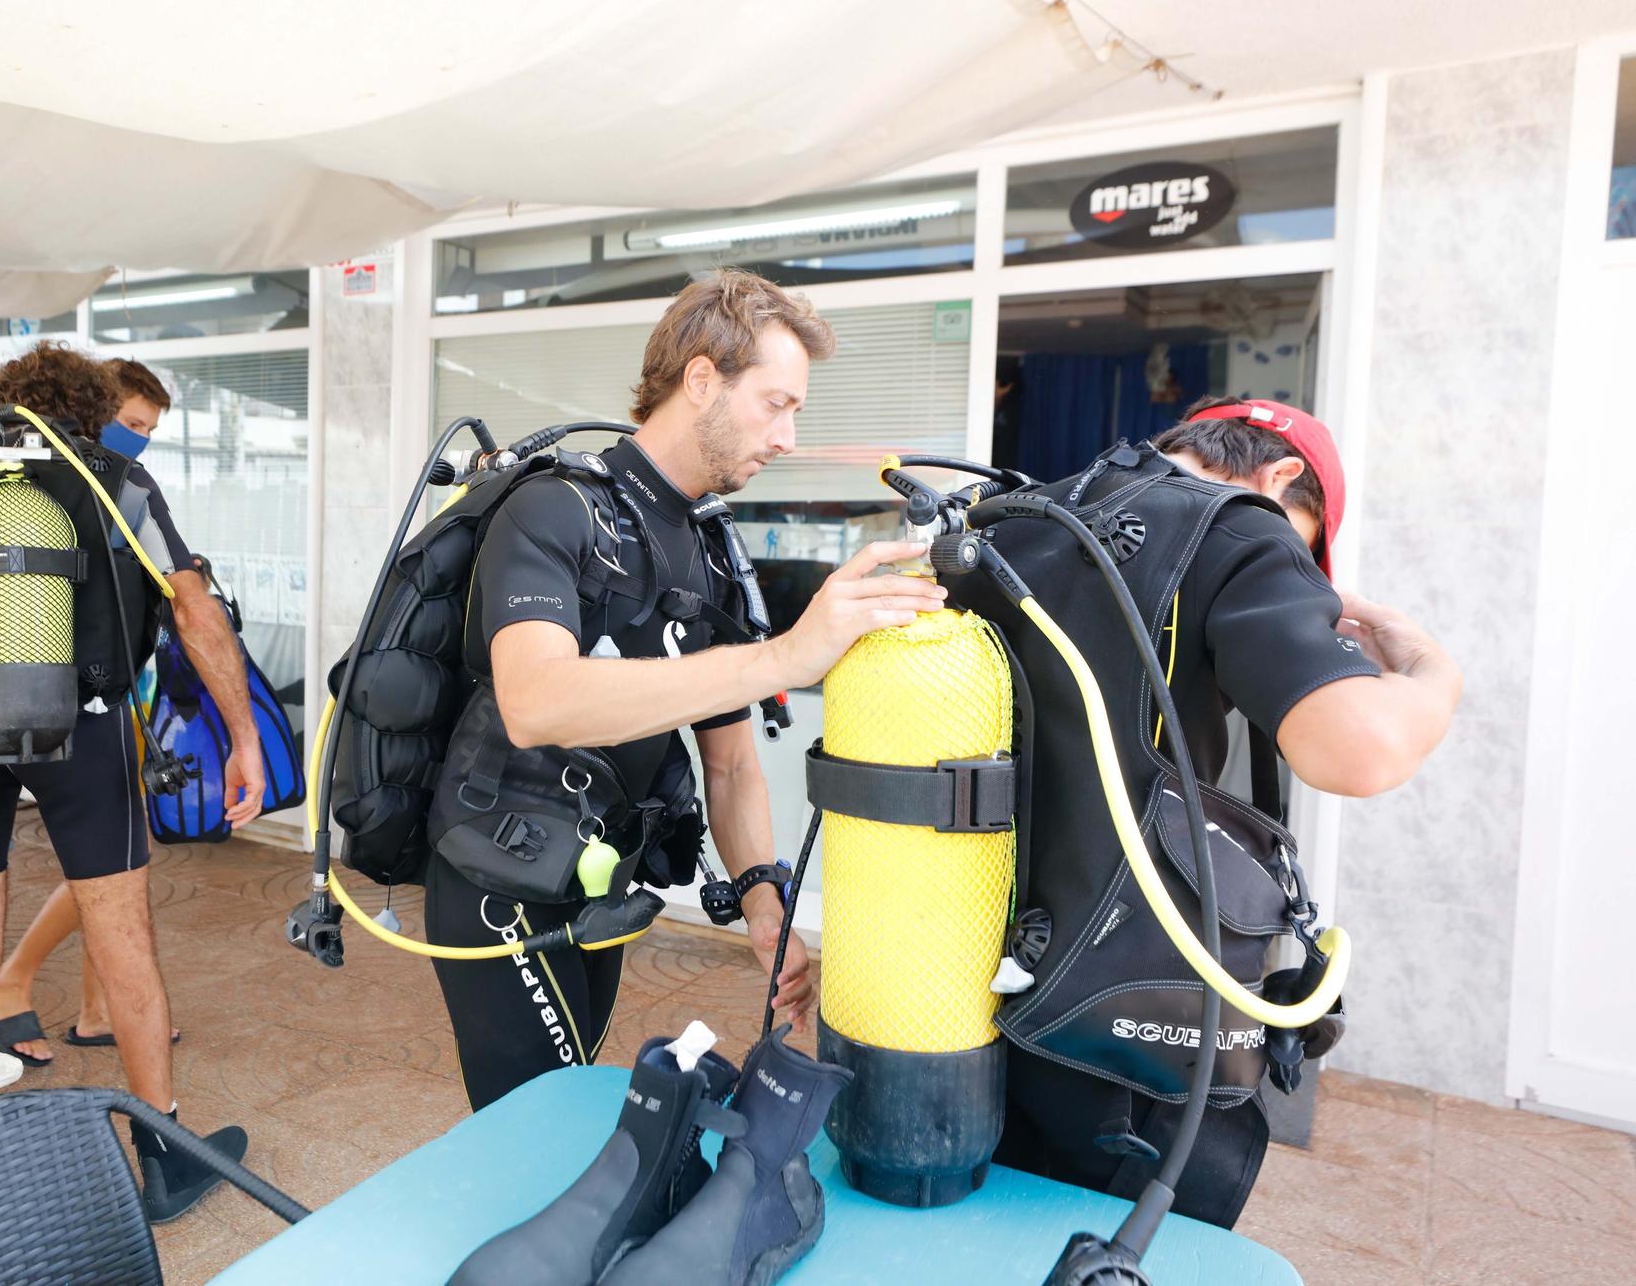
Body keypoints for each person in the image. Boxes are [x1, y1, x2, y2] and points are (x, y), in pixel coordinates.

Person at [427, 269, 948, 1109]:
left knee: (568, 1103)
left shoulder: (706, 549)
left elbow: (733, 763)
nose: (787, 436)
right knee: (535, 1122)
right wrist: (785, 655)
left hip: (597, 877)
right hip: (498, 876)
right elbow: (535, 702)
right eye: (776, 403)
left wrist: (762, 898)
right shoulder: (555, 508)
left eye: (797, 411)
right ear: (702, 377)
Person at [976, 394, 1461, 1227]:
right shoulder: (1239, 528)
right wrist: (1432, 673)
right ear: (1280, 478)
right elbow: (1360, 752)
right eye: (1305, 546)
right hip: (1119, 1016)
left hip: (962, 972)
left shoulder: (1022, 516)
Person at [0, 343, 265, 1221]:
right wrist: (244, 732)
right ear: (93, 407)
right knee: (123, 938)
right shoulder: (112, 480)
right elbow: (194, 609)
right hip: (83, 727)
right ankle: (166, 1158)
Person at [0, 358, 180, 1063]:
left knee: (117, 865)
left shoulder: (101, 481)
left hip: (116, 684)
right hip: (71, 696)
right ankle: (13, 979)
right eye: (130, 424)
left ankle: (98, 1009)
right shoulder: (74, 482)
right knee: (108, 867)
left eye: (150, 431)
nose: (139, 441)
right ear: (94, 411)